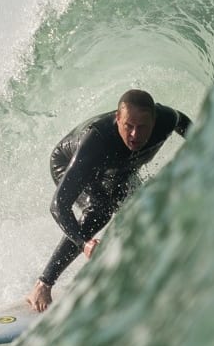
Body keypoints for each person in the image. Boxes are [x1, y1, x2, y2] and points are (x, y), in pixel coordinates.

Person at [25, 89, 192, 312]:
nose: (134, 134)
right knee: (100, 210)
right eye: (128, 126)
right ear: (118, 119)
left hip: (117, 170)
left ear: (154, 121)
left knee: (146, 210)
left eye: (142, 127)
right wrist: (84, 243)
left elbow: (183, 121)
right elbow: (58, 205)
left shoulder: (167, 119)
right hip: (70, 163)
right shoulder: (96, 140)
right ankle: (43, 284)